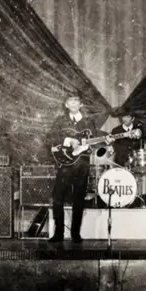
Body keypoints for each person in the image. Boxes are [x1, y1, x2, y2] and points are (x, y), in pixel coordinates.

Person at [48, 93, 113, 243]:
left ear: (80, 104)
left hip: (82, 164)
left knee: (79, 199)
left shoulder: (88, 122)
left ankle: (75, 234)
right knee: (58, 198)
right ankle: (58, 233)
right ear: (66, 105)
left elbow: (96, 138)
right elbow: (51, 137)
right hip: (65, 163)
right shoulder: (60, 121)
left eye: (76, 101)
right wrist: (68, 140)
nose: (73, 103)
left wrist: (107, 141)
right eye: (70, 101)